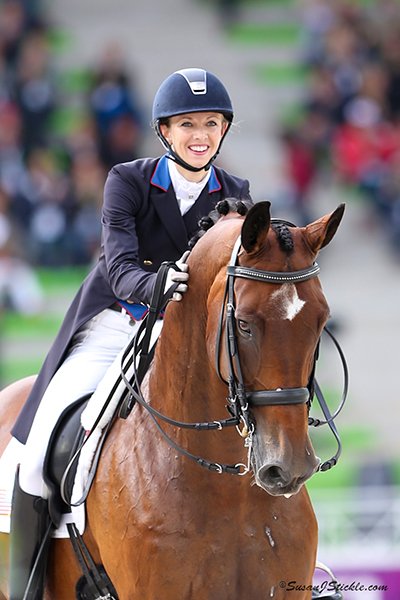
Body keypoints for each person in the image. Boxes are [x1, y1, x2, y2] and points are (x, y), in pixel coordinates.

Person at [7, 67, 251, 599]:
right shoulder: (129, 180)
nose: (200, 134)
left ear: (223, 130)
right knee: (39, 453)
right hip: (116, 325)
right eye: (187, 123)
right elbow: (117, 267)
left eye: (211, 123)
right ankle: (24, 588)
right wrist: (157, 283)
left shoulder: (237, 194)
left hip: (186, 342)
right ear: (164, 131)